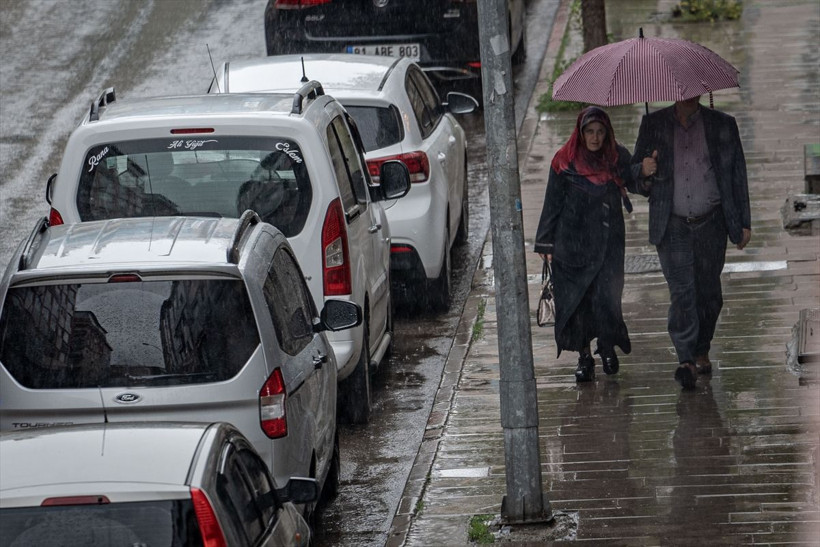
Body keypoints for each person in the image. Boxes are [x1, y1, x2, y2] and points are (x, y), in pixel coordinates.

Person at [631, 96, 751, 390]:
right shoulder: (653, 124)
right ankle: (685, 359)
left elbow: (737, 175)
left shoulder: (723, 125)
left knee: (709, 293)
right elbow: (635, 180)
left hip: (712, 222)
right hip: (672, 225)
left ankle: (701, 348)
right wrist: (644, 171)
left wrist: (744, 222)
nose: (689, 93)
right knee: (682, 292)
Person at [535, 106, 638, 382]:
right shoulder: (564, 162)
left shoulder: (616, 157)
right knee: (577, 304)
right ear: (580, 134)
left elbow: (637, 180)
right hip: (572, 247)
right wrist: (545, 244)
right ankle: (584, 357)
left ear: (607, 134)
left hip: (607, 245)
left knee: (607, 299)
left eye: (600, 132)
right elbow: (552, 202)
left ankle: (606, 348)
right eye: (590, 132)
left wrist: (646, 168)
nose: (595, 138)